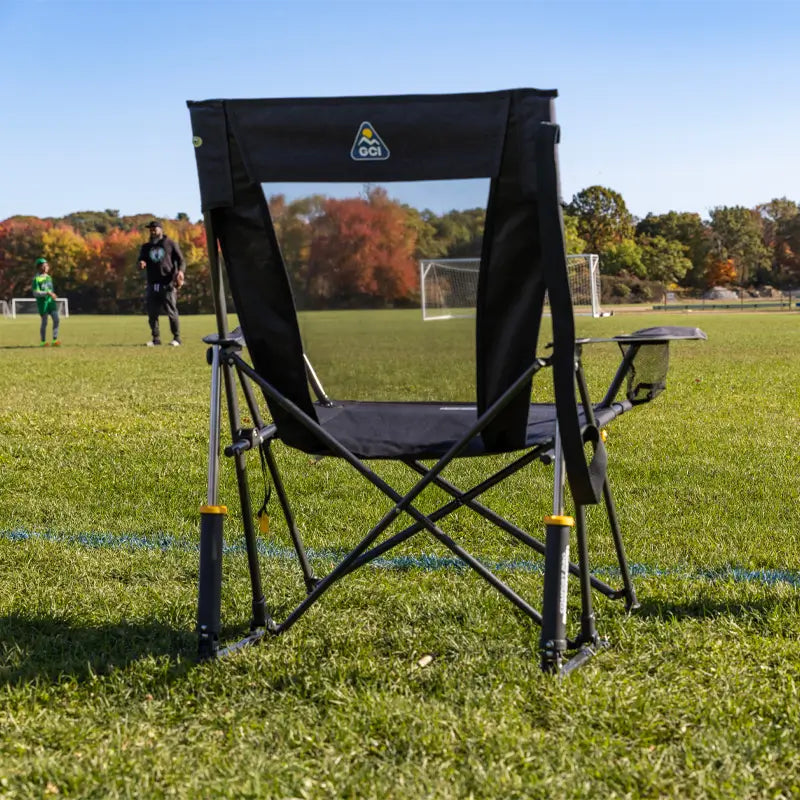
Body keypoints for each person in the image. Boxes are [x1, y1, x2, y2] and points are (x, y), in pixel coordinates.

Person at [137, 220, 186, 346]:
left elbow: (181, 260)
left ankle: (177, 338)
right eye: (150, 229)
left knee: (171, 311)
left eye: (154, 228)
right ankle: (156, 339)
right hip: (153, 284)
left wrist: (180, 272)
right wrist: (141, 263)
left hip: (167, 283)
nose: (152, 231)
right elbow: (141, 259)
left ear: (161, 229)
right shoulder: (146, 247)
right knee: (152, 313)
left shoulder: (169, 243)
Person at [31, 257, 61, 347]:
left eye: (47, 265)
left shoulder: (49, 278)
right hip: (42, 304)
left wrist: (53, 295)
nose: (47, 267)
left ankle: (55, 340)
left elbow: (50, 289)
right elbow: (36, 293)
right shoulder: (36, 279)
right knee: (45, 322)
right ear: (40, 267)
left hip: (51, 303)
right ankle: (43, 342)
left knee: (56, 319)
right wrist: (47, 293)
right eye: (45, 265)